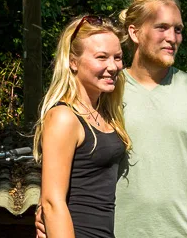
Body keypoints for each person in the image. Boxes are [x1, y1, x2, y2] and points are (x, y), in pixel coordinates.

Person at [37, 0, 187, 238]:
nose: (172, 37)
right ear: (134, 33)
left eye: (178, 29)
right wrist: (47, 207)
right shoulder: (106, 88)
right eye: (161, 27)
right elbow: (69, 163)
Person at [35, 15, 131, 238]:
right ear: (73, 61)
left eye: (117, 57)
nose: (113, 66)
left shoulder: (105, 112)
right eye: (101, 57)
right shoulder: (64, 117)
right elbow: (52, 202)